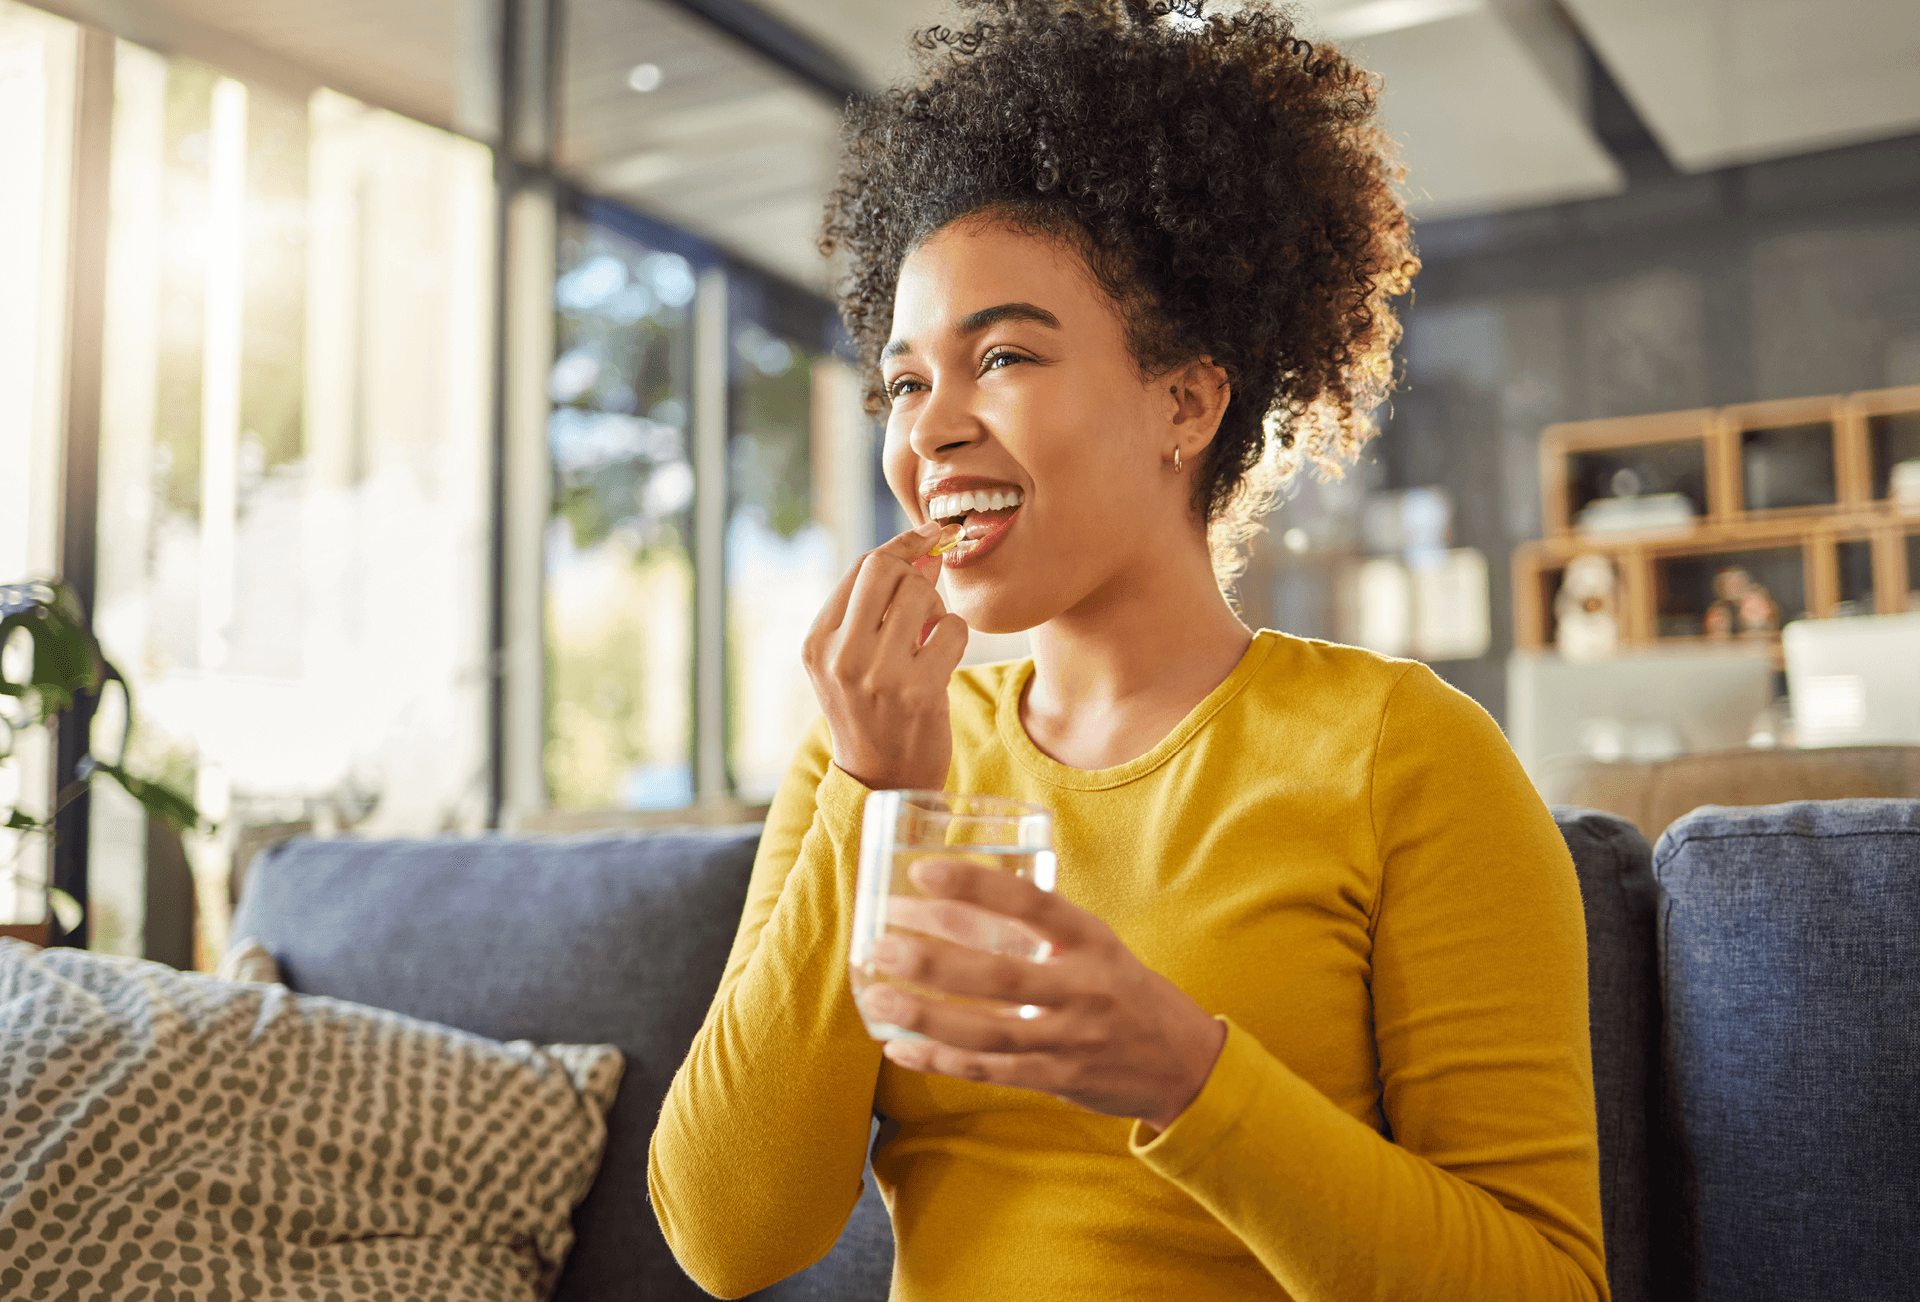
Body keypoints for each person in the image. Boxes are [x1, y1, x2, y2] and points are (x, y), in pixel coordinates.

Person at [649, 2, 1608, 1298]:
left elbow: (1547, 1282)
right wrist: (877, 796)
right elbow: (728, 1234)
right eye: (905, 381)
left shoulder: (1403, 752)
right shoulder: (871, 750)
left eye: (1002, 355)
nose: (930, 431)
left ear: (1186, 401)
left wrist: (1184, 1072)